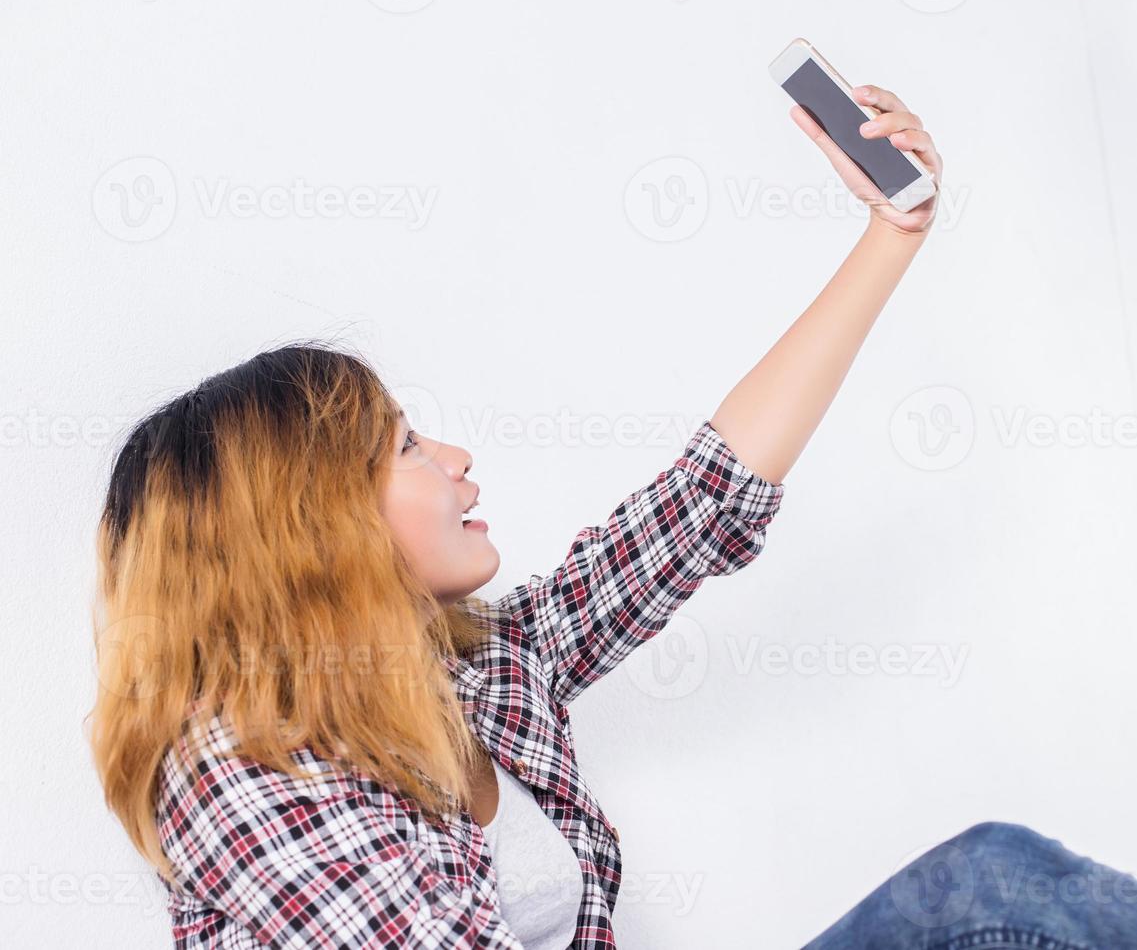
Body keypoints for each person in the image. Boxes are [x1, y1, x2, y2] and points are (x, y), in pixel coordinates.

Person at [87, 84, 1137, 948]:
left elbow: (698, 505)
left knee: (989, 884)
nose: (454, 458)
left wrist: (890, 236)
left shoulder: (480, 671)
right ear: (307, 525)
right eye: (405, 444)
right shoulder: (238, 773)